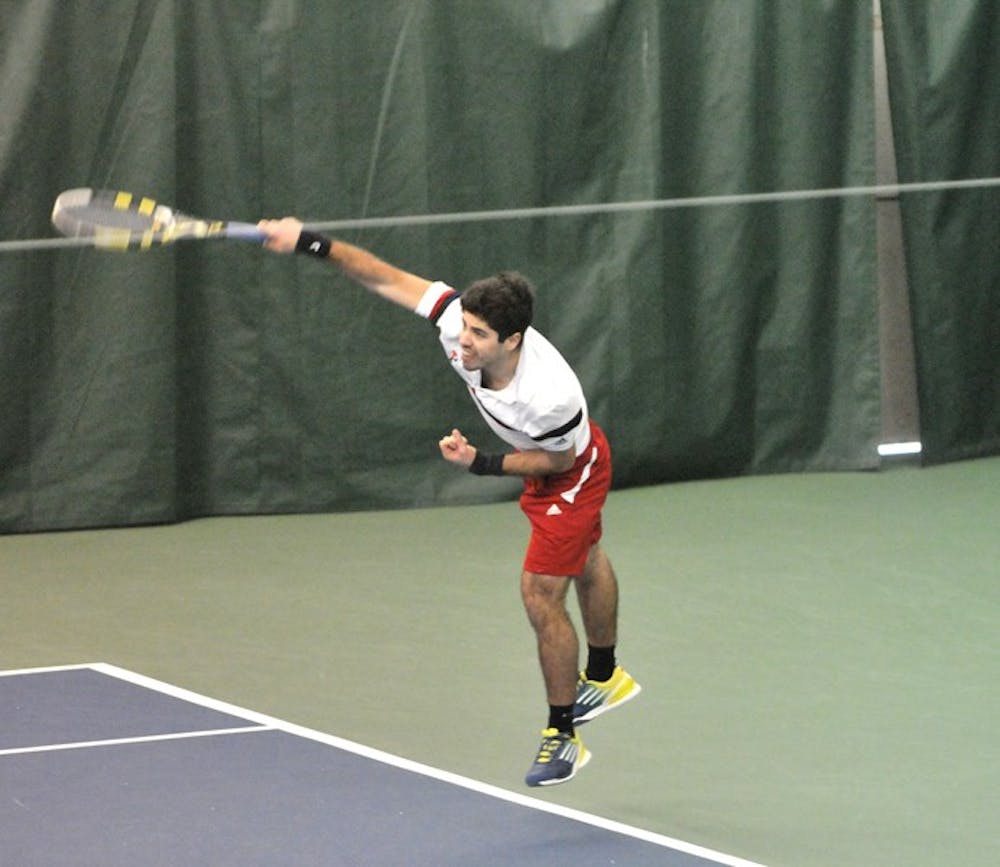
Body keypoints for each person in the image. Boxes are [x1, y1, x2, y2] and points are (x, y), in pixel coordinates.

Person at [257, 218, 640, 786]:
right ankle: (606, 675)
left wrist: (480, 463)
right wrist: (310, 242)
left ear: (512, 341)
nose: (464, 341)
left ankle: (563, 735)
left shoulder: (549, 396)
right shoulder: (455, 323)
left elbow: (558, 464)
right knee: (584, 554)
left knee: (539, 594)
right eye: (465, 326)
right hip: (546, 454)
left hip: (572, 469)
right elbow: (383, 277)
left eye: (480, 335)